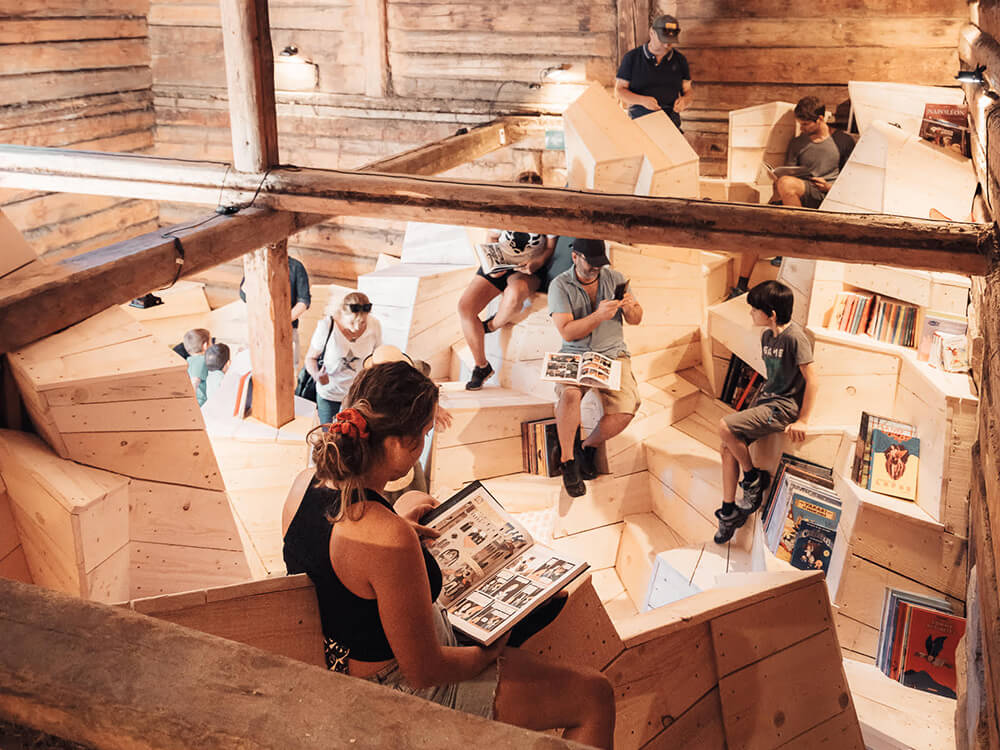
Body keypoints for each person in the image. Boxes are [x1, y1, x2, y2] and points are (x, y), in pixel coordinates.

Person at [280, 362, 614, 746]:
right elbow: (425, 670)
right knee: (595, 694)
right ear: (396, 444)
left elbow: (338, 565)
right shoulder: (388, 539)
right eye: (422, 435)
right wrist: (489, 651)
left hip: (343, 657)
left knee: (416, 499)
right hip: (399, 689)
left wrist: (399, 520)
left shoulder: (303, 485)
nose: (421, 447)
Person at [714, 280, 818, 543]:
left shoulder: (795, 338)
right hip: (765, 402)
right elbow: (772, 376)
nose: (750, 313)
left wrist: (804, 419)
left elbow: (813, 380)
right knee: (726, 446)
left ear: (770, 313)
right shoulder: (766, 336)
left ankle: (751, 479)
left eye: (754, 309)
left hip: (782, 408)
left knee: (724, 426)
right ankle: (728, 512)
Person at [729, 97, 855, 298]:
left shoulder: (843, 141)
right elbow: (787, 174)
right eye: (800, 124)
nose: (802, 128)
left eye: (805, 124)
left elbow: (852, 178)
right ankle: (740, 287)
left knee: (786, 183)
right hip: (798, 195)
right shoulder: (797, 143)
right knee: (755, 227)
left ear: (820, 119)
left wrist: (829, 186)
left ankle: (795, 238)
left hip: (826, 196)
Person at [548, 239, 643, 497]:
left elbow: (635, 320)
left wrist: (633, 308)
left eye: (600, 265)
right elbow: (567, 332)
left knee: (626, 411)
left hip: (613, 353)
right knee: (569, 394)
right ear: (576, 256)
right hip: (576, 353)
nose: (596, 270)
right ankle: (567, 461)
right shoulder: (559, 286)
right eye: (591, 265)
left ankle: (585, 446)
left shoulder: (615, 278)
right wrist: (599, 316)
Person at [457, 171, 556, 391]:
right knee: (465, 306)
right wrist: (491, 266)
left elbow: (549, 249)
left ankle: (490, 325)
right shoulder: (504, 212)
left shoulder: (547, 215)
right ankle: (481, 366)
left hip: (526, 268)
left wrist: (536, 265)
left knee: (514, 296)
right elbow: (491, 239)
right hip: (499, 264)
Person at [305, 292, 382, 427]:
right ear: (341, 313)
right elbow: (310, 358)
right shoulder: (327, 326)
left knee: (353, 437)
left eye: (362, 322)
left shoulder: (374, 325)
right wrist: (317, 375)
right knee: (329, 437)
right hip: (329, 394)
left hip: (358, 396)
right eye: (352, 322)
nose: (357, 327)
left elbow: (376, 357)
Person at [614, 14, 692, 128]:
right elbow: (619, 91)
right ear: (652, 32)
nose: (666, 45)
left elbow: (688, 91)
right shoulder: (632, 58)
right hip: (639, 123)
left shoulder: (680, 60)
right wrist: (642, 100)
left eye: (670, 41)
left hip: (670, 123)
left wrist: (685, 100)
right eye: (663, 40)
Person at [239, 254, 311, 368]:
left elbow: (303, 302)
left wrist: (281, 322)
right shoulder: (257, 265)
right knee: (255, 369)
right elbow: (244, 295)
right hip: (259, 329)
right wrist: (253, 270)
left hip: (287, 329)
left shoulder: (296, 267)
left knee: (288, 370)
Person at [182, 328, 211, 406]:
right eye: (211, 342)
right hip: (201, 404)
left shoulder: (188, 361)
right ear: (205, 346)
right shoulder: (201, 360)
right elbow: (194, 382)